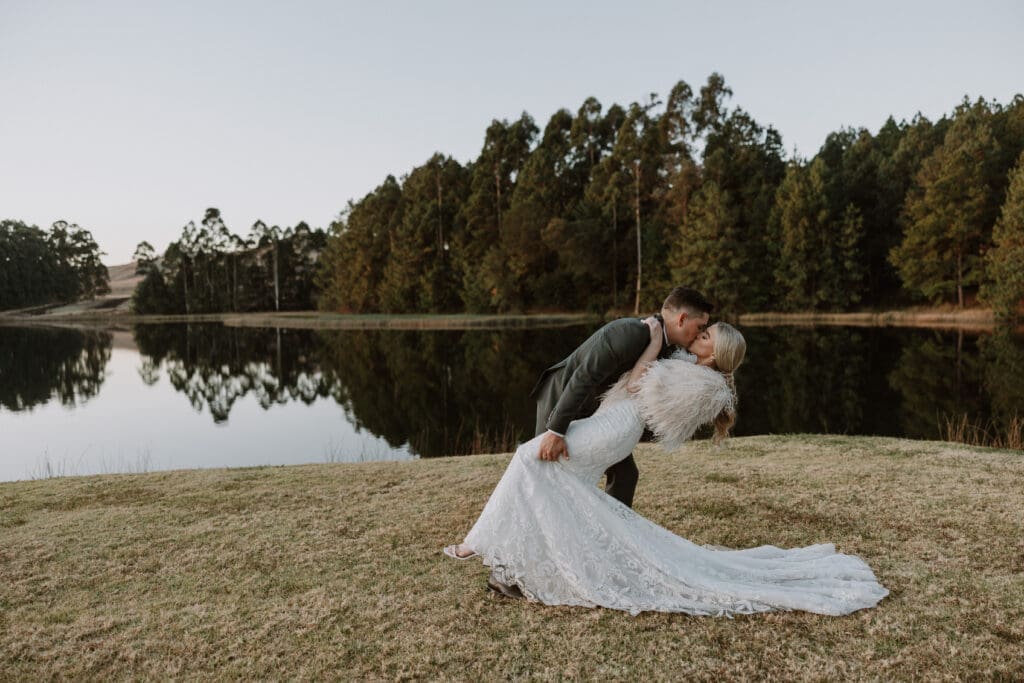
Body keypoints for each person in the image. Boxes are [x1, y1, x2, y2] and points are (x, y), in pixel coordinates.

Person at [443, 320, 889, 616]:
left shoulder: (702, 382)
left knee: (530, 457)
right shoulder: (690, 366)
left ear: (715, 353)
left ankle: (477, 544)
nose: (699, 334)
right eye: (703, 328)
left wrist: (653, 343)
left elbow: (639, 386)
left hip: (617, 425)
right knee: (562, 486)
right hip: (609, 420)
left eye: (707, 335)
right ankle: (512, 575)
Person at [532, 286, 713, 508]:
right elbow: (583, 377)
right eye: (700, 327)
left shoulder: (662, 345)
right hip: (561, 398)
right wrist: (556, 430)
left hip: (596, 411)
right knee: (543, 471)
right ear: (682, 319)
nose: (700, 333)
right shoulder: (632, 333)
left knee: (625, 476)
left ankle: (613, 536)